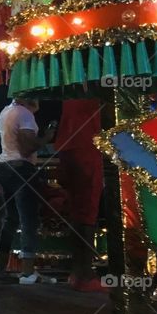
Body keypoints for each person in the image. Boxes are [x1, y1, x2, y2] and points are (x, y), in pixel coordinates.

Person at [0, 98, 57, 284]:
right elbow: (27, 147)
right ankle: (28, 273)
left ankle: (0, 268)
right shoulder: (24, 113)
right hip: (21, 168)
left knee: (10, 219)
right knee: (29, 219)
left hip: (4, 166)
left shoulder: (6, 111)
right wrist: (46, 137)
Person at [55, 99, 108, 292]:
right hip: (87, 145)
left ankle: (79, 273)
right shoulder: (97, 80)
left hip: (69, 145)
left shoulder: (72, 81)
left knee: (79, 211)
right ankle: (85, 274)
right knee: (87, 211)